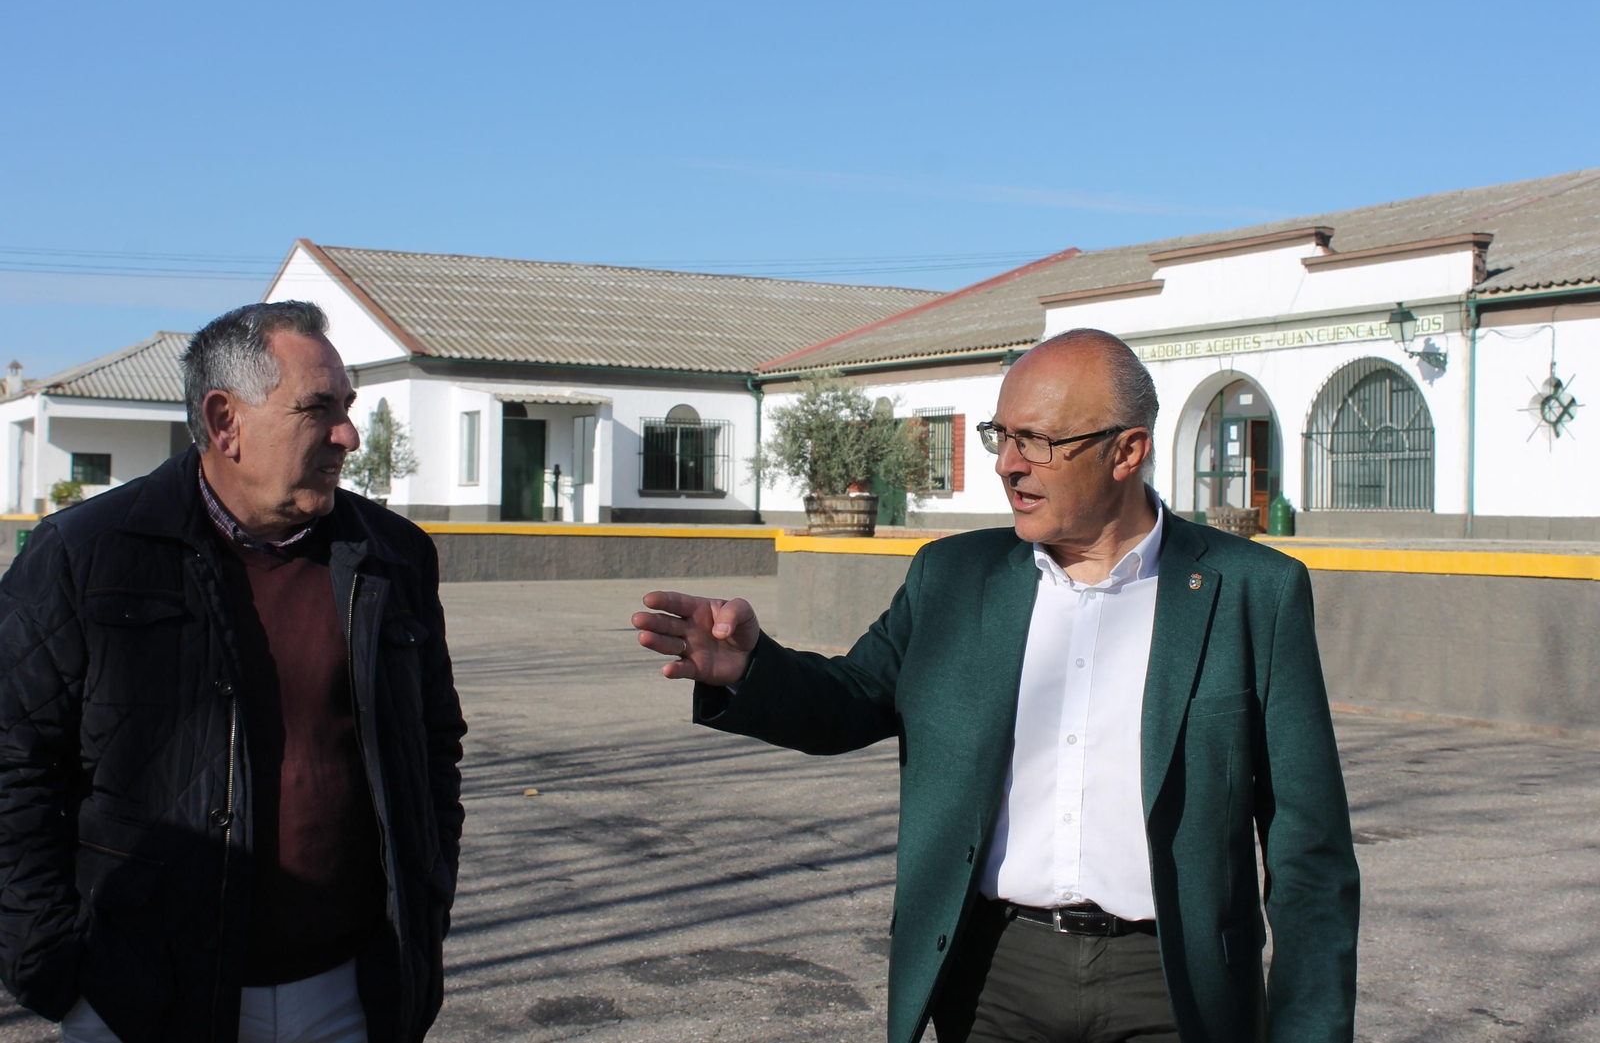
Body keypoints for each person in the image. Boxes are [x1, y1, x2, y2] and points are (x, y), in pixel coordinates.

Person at [633, 328, 1359, 1043]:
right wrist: (751, 667)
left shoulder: (1252, 591)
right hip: (993, 981)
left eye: (1037, 441)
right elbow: (852, 698)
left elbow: (1309, 852)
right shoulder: (954, 576)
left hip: (1175, 986)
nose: (1008, 465)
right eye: (1000, 436)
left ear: (1127, 451)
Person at [0, 301, 467, 1043]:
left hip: (353, 994)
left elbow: (433, 744)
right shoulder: (85, 556)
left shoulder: (394, 557)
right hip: (143, 999)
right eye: (318, 409)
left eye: (347, 407)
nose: (348, 434)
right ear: (225, 422)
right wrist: (55, 966)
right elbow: (13, 766)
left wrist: (427, 896)